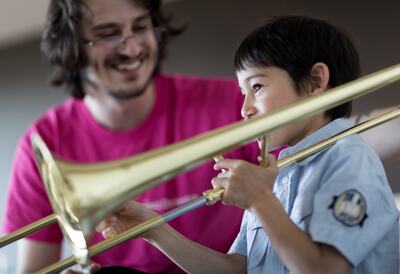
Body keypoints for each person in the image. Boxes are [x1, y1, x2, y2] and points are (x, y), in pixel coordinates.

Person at [97, 15, 400, 274]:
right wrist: (154, 230)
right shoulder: (274, 172)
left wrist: (259, 199)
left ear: (314, 81)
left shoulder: (348, 156)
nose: (245, 109)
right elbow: (235, 269)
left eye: (257, 86)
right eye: (243, 92)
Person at [2, 0, 274, 273]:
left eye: (141, 27)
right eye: (108, 34)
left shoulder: (238, 104)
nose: (132, 49)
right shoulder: (45, 143)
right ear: (72, 48)